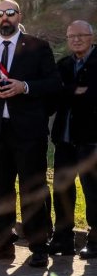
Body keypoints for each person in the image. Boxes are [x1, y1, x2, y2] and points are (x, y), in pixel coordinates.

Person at [0, 0, 60, 267]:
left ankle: (39, 247)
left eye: (9, 13)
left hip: (28, 132)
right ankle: (4, 245)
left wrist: (25, 86)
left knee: (32, 188)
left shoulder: (38, 47)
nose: (4, 18)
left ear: (19, 15)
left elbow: (53, 82)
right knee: (1, 191)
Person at [49, 20, 97, 259]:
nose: (76, 40)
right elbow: (52, 96)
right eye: (71, 37)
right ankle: (63, 239)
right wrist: (73, 91)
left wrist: (67, 92)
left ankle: (95, 241)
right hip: (65, 140)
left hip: (91, 139)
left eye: (81, 35)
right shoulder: (64, 65)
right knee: (62, 189)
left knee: (93, 190)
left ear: (92, 36)